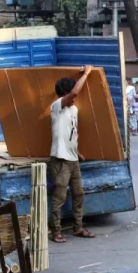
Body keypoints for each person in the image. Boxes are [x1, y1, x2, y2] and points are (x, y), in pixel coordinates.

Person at [49, 66, 96, 243]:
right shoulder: (57, 107)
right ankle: (56, 232)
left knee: (79, 194)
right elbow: (75, 93)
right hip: (60, 160)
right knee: (59, 198)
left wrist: (77, 152)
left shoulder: (73, 110)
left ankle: (78, 227)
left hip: (73, 159)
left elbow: (70, 134)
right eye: (70, 95)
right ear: (64, 94)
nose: (74, 98)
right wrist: (86, 74)